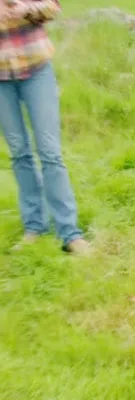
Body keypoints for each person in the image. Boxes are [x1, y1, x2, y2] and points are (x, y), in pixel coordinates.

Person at [0, 0, 91, 254]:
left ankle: (69, 233)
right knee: (19, 152)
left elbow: (52, 7)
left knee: (50, 152)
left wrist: (25, 10)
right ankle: (34, 228)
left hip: (37, 70)